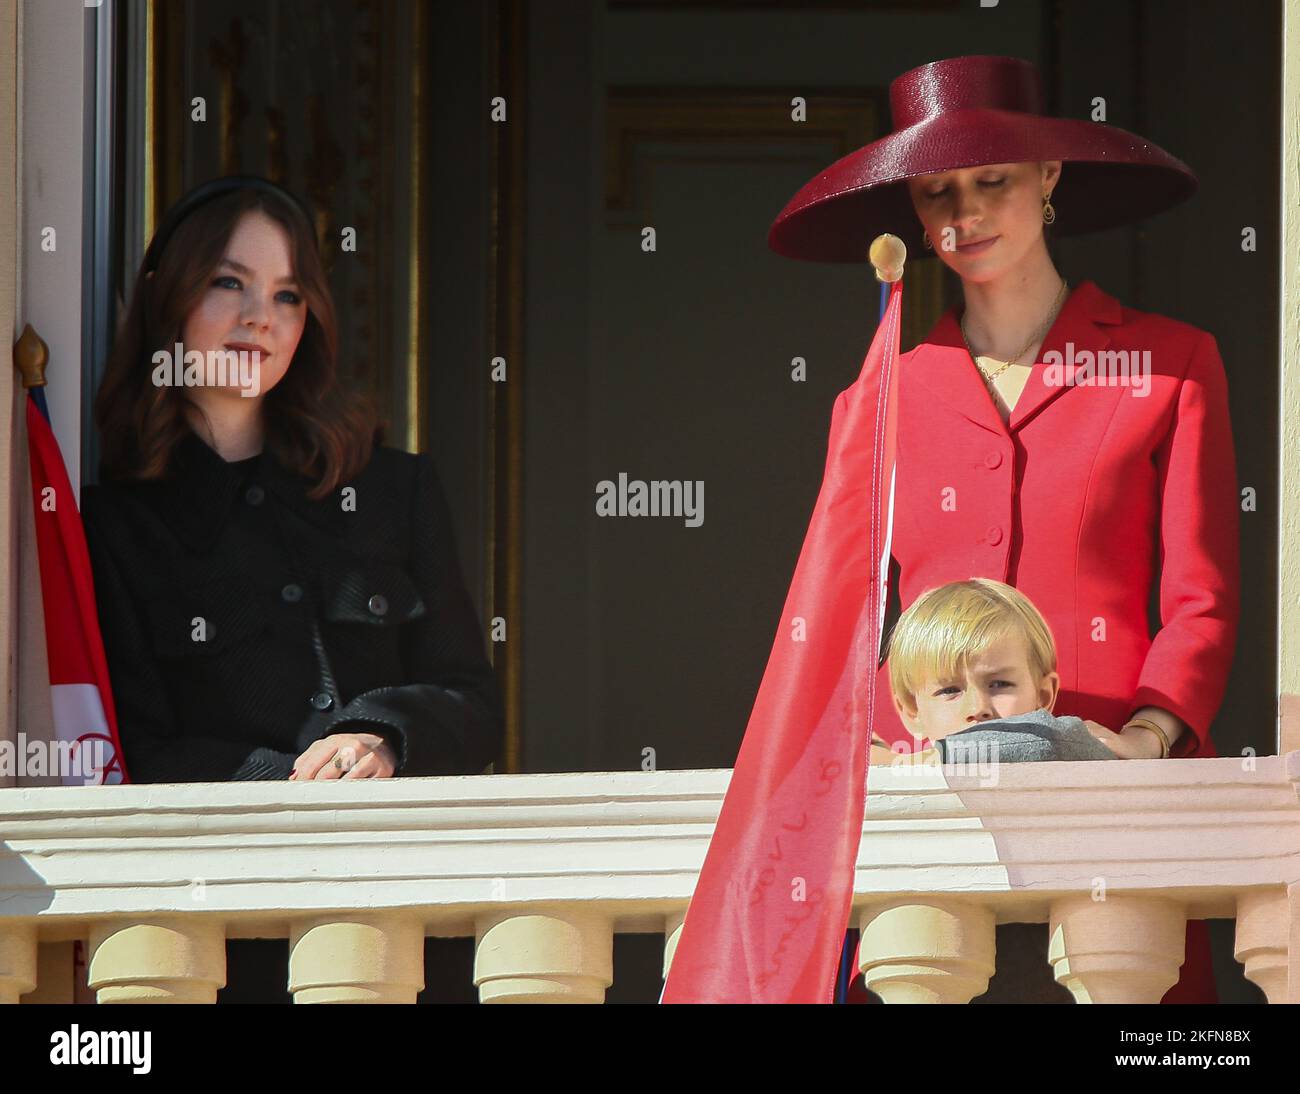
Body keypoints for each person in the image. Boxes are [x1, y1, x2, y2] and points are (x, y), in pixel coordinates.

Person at [769, 55, 1238, 1003]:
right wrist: (871, 740)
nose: (964, 215)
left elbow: (1203, 598)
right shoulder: (880, 395)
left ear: (1050, 178)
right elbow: (849, 613)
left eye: (993, 182)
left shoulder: (1171, 365)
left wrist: (1144, 741)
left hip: (1118, 793)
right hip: (930, 805)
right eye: (938, 193)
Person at [81, 175, 502, 999]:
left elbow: (473, 700)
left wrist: (379, 737)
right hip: (231, 950)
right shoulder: (114, 528)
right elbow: (139, 747)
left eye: (287, 294)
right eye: (228, 283)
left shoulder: (395, 491)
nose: (259, 318)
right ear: (169, 300)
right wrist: (296, 786)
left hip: (409, 944)